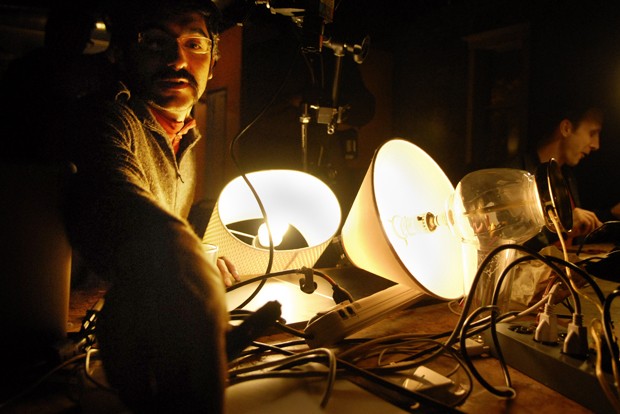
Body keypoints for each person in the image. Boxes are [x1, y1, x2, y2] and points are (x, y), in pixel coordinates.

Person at [45, 0, 237, 411]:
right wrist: (179, 255)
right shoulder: (108, 118)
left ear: (213, 61)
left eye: (194, 43)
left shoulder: (185, 135)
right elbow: (111, 197)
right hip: (65, 356)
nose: (176, 58)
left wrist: (199, 253)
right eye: (154, 42)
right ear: (120, 52)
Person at [506, 101, 604, 248]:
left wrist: (610, 214)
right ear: (566, 128)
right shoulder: (517, 175)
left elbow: (576, 226)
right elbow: (512, 237)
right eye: (592, 133)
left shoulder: (566, 177)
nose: (596, 144)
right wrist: (561, 226)